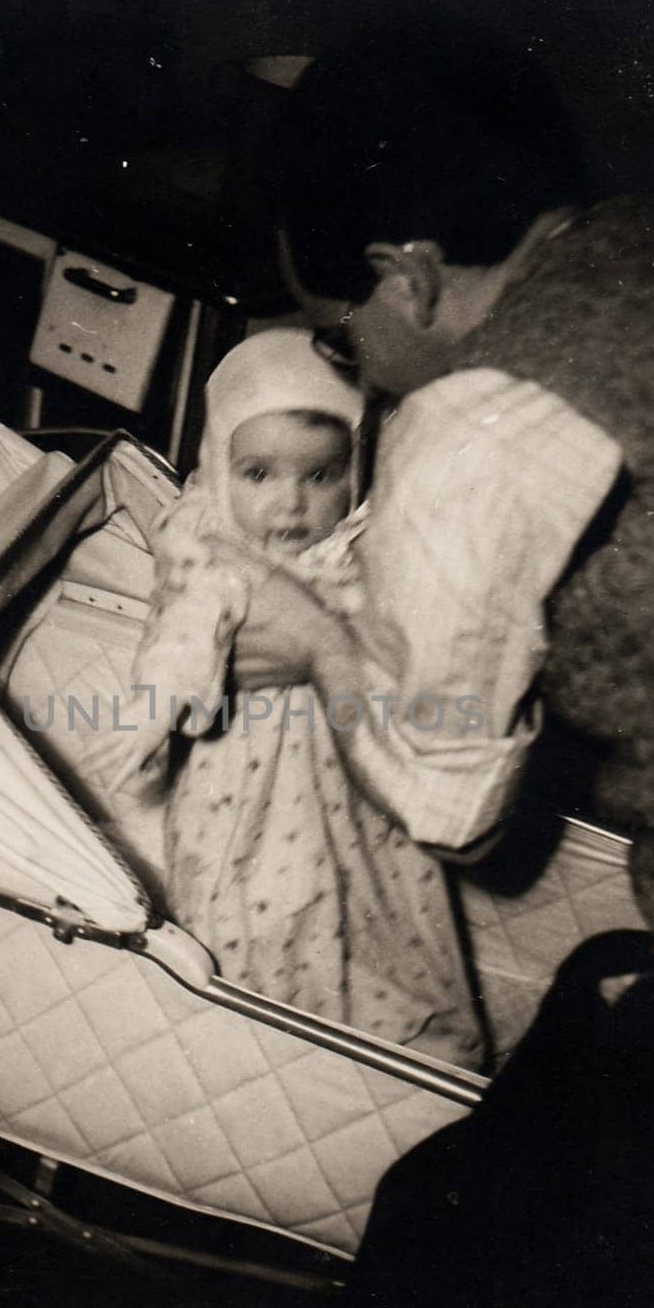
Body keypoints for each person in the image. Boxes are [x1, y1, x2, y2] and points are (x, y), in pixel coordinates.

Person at [235, 27, 654, 962]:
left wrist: (324, 646)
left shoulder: (470, 435)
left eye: (342, 338)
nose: (355, 378)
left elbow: (458, 815)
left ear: (410, 276)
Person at [106, 328, 486, 1064]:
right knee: (265, 905)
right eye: (258, 474)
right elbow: (186, 626)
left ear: (356, 470)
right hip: (246, 785)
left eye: (320, 476)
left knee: (381, 903)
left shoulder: (365, 540)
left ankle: (394, 1045)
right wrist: (156, 702)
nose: (290, 505)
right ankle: (261, 1043)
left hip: (354, 768)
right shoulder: (215, 549)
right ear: (218, 465)